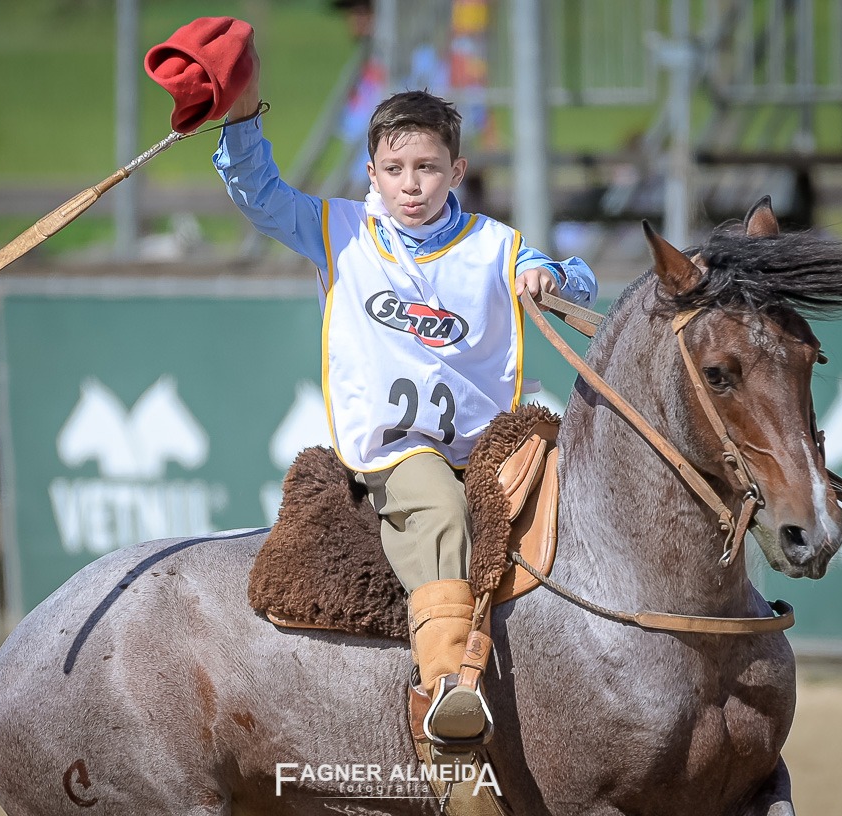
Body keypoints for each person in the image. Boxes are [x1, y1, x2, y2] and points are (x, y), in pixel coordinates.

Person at [214, 37, 596, 745]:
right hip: (398, 450)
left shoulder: (497, 245)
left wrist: (553, 280)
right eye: (394, 169)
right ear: (372, 172)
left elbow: (578, 279)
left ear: (457, 168)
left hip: (490, 440)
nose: (410, 183)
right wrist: (240, 120)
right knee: (439, 508)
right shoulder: (339, 230)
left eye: (426, 168)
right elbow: (258, 195)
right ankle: (448, 691)